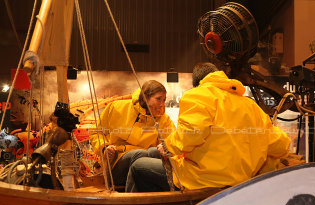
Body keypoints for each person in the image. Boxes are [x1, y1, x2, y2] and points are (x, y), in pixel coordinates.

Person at [128, 62, 291, 192]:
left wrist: (169, 146)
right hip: (241, 179)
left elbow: (192, 132)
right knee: (151, 153)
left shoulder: (199, 95)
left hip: (205, 178)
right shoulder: (250, 105)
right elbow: (279, 144)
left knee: (138, 166)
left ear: (197, 84)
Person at [89, 80, 175, 190]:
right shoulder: (116, 107)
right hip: (114, 165)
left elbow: (172, 141)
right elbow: (96, 133)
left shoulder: (164, 120)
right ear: (145, 97)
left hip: (144, 161)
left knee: (153, 152)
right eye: (158, 99)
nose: (162, 104)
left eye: (164, 100)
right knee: (140, 154)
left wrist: (166, 147)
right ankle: (131, 196)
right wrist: (104, 148)